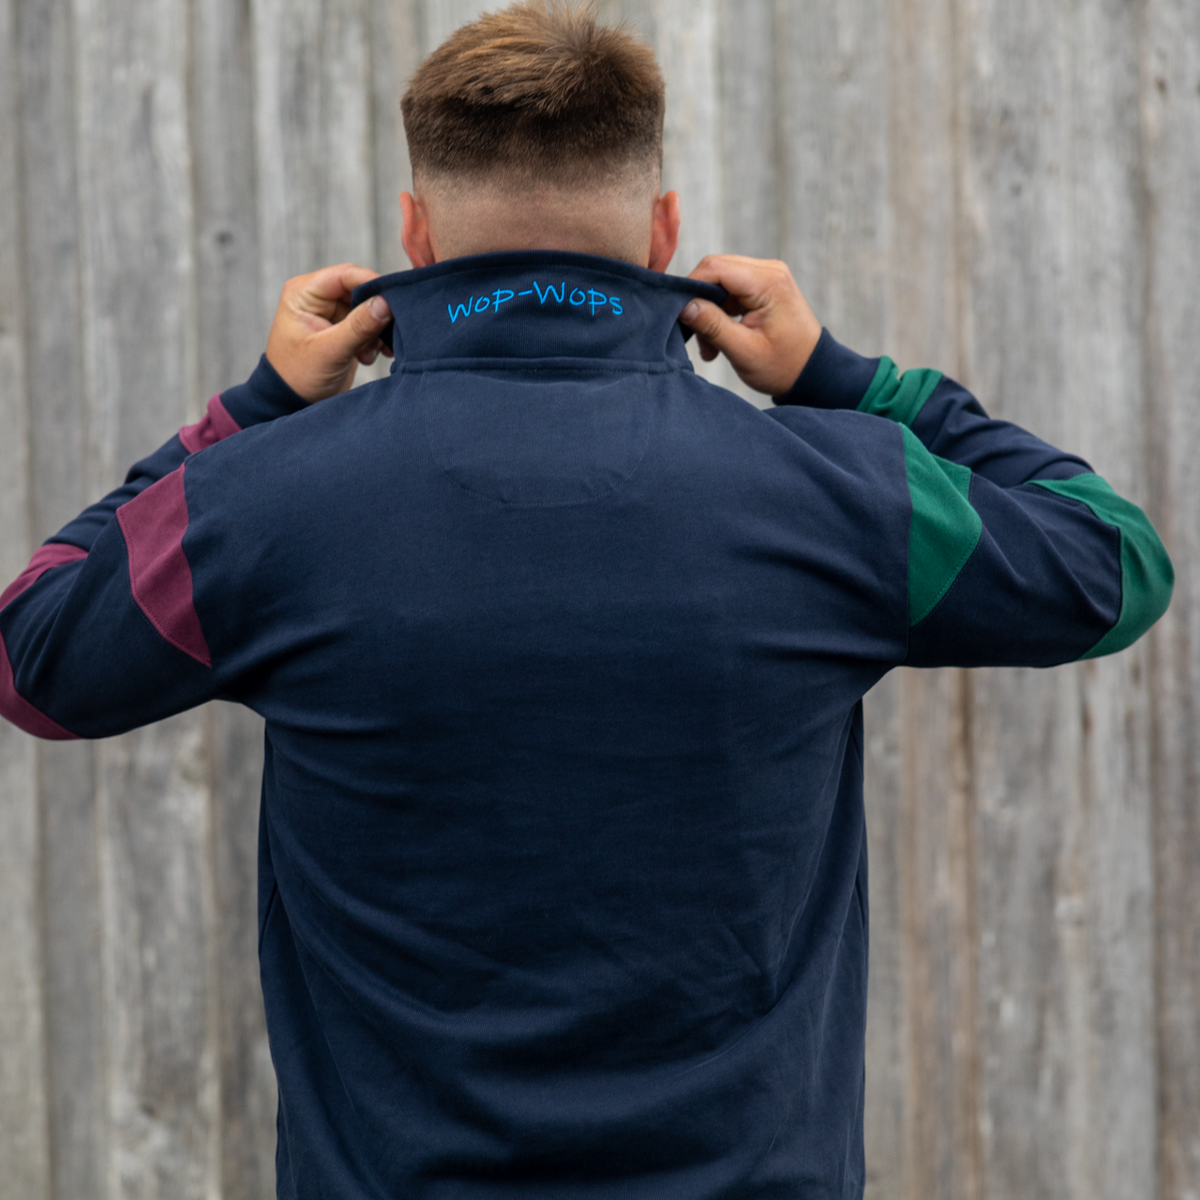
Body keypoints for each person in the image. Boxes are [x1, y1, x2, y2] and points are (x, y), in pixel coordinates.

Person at [0, 3, 1172, 1198]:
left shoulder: (255, 501)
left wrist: (246, 412)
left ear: (416, 228)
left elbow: (31, 657)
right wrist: (844, 378)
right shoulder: (838, 490)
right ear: (663, 233)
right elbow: (1116, 563)